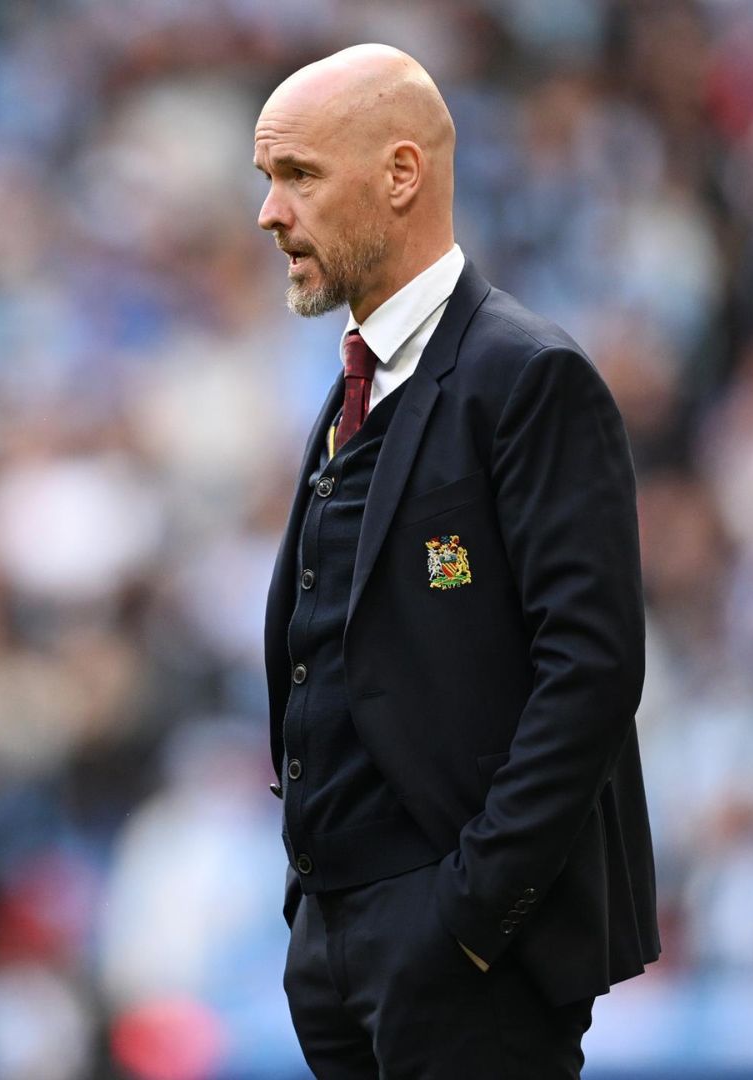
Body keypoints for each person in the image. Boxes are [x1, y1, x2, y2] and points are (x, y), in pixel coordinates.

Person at [252, 44, 657, 1076]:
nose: (269, 213)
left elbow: (593, 667)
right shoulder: (357, 389)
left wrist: (476, 913)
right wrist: (319, 921)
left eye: (299, 175)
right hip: (337, 942)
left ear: (401, 174)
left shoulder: (528, 375)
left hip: (462, 949)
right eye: (269, 178)